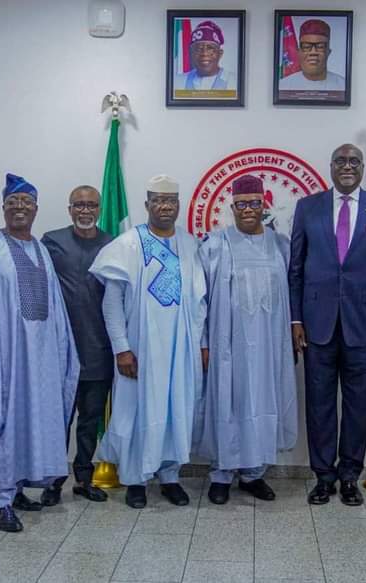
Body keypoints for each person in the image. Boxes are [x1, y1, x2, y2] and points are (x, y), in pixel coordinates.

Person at [289, 143, 366, 506]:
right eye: (340, 161)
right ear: (331, 166)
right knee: (319, 403)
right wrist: (296, 318)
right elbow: (296, 268)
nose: (347, 166)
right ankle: (324, 477)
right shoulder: (308, 207)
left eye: (354, 161)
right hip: (316, 324)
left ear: (362, 167)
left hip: (363, 326)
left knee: (357, 405)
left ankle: (350, 475)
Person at [90, 175, 207, 509]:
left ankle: (170, 477)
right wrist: (121, 348)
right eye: (157, 200)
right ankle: (135, 480)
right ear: (147, 204)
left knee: (176, 409)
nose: (164, 206)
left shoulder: (190, 244)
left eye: (170, 200)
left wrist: (200, 344)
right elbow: (112, 304)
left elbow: (200, 301)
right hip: (139, 347)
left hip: (181, 346)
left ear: (178, 205)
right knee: (136, 410)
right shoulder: (127, 244)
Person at [0, 173, 79, 533]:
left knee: (31, 417)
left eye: (26, 202)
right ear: (3, 208)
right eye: (13, 202)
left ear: (36, 209)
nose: (19, 208)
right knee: (5, 419)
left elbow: (53, 306)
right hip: (5, 354)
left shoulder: (41, 250)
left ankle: (18, 486)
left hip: (39, 357)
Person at [196, 175, 298, 505]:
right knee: (228, 402)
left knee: (265, 401)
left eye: (255, 203)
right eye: (241, 204)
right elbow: (199, 300)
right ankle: (221, 474)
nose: (248, 210)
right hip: (228, 344)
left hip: (269, 344)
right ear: (232, 206)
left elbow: (293, 292)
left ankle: (253, 473)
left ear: (264, 204)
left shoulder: (280, 245)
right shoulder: (215, 244)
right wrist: (203, 342)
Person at [40, 185, 113, 505]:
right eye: (79, 205)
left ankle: (84, 479)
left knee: (90, 420)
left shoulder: (112, 244)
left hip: (99, 350)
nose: (85, 211)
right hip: (60, 352)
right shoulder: (52, 242)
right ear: (69, 209)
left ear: (99, 209)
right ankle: (53, 482)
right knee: (59, 422)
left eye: (91, 205)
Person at [278, 19, 346, 91]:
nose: (313, 52)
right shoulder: (282, 86)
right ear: (298, 52)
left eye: (320, 47)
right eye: (306, 47)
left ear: (328, 52)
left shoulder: (344, 86)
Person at [174, 20, 234, 91]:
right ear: (191, 53)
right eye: (198, 48)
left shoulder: (234, 80)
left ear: (220, 53)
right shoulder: (177, 81)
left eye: (210, 48)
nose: (204, 53)